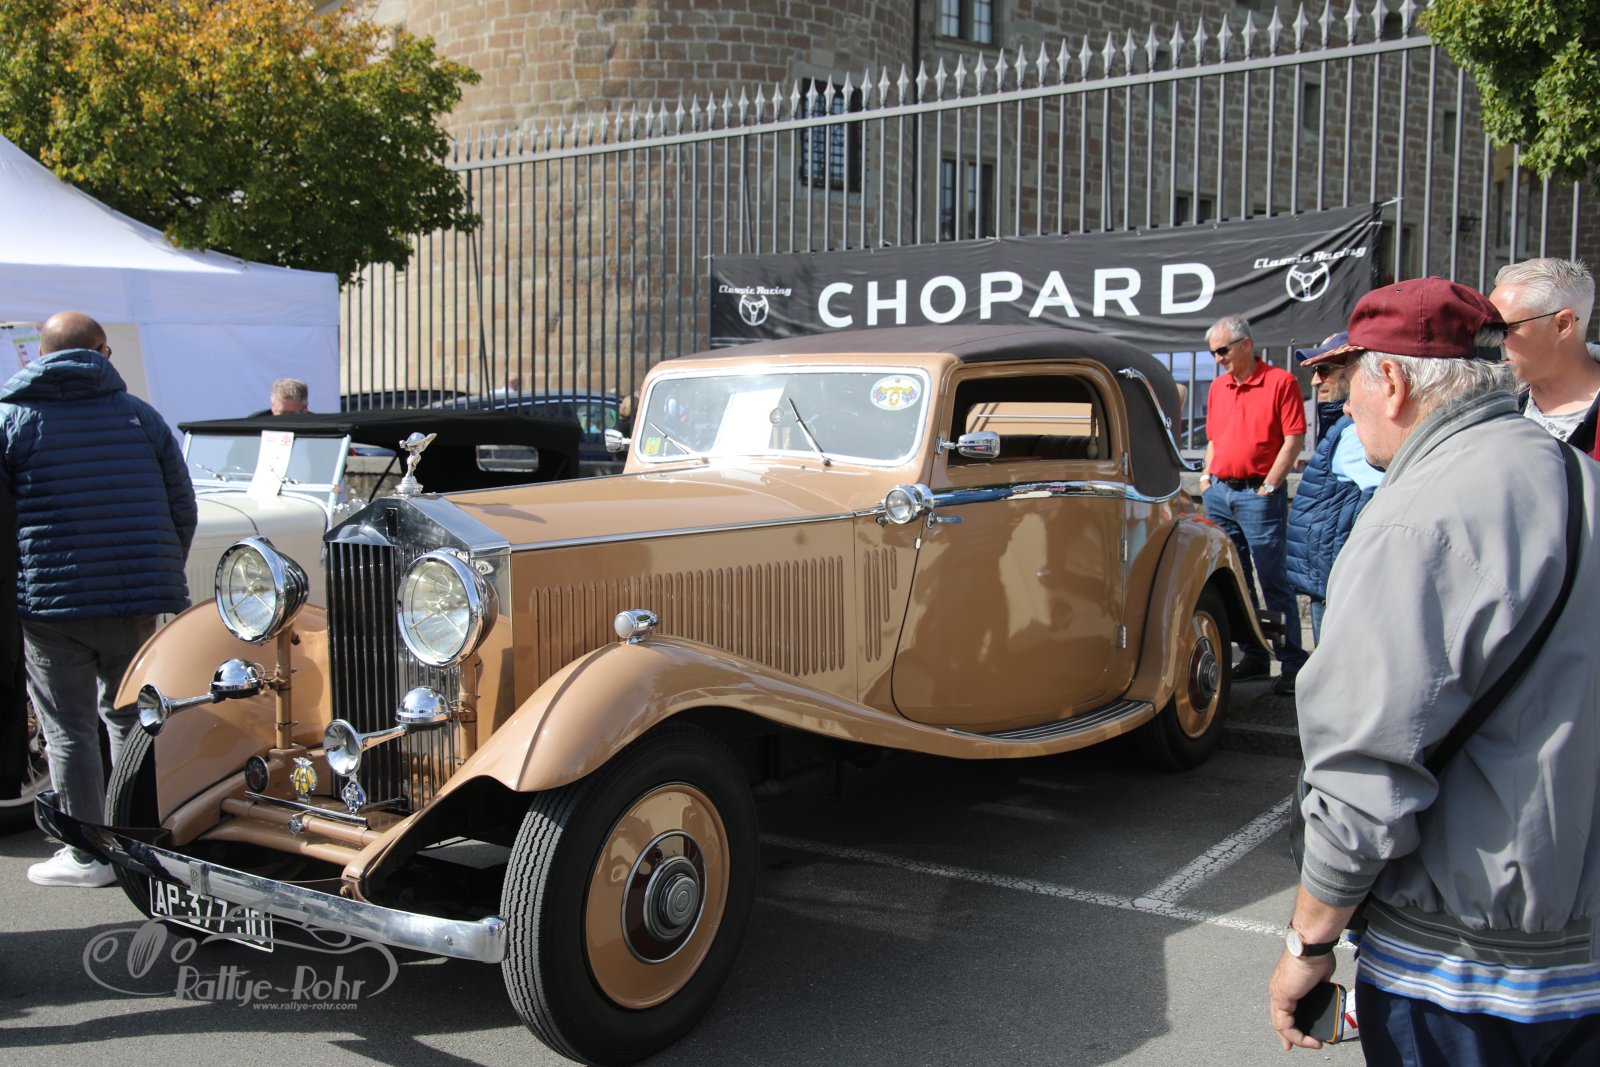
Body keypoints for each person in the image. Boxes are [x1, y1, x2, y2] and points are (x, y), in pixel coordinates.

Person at [1269, 277, 1600, 1063]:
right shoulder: (1579, 477)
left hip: (1458, 970)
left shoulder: (1414, 520)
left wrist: (1308, 943)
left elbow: (1363, 773)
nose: (1343, 403)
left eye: (1350, 378)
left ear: (1390, 380)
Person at [0, 311, 196, 887]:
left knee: (68, 729)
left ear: (41, 355)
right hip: (133, 599)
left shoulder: (13, 419)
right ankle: (133, 839)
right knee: (129, 717)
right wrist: (155, 572)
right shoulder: (140, 416)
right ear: (101, 351)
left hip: (50, 603)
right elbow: (182, 506)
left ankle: (88, 854)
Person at [1197, 314, 1307, 685]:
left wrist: (1269, 487)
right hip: (1220, 493)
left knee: (1273, 580)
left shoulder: (1281, 382)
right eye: (1213, 353)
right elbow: (1213, 439)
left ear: (1246, 345)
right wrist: (1206, 479)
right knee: (1237, 581)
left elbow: (1293, 439)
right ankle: (1255, 655)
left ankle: (1291, 662)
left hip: (1257, 495)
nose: (1218, 359)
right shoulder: (1218, 387)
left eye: (1222, 351)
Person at [1281, 332, 1382, 676]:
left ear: (1354, 372)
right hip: (1328, 582)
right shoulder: (1345, 426)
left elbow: (1387, 494)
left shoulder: (1356, 432)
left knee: (1338, 679)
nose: (1315, 381)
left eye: (1323, 370)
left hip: (1339, 585)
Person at [1487, 257, 1600, 457]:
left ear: (1562, 324)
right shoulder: (1490, 408)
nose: (1494, 339)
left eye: (1507, 328)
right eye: (1489, 328)